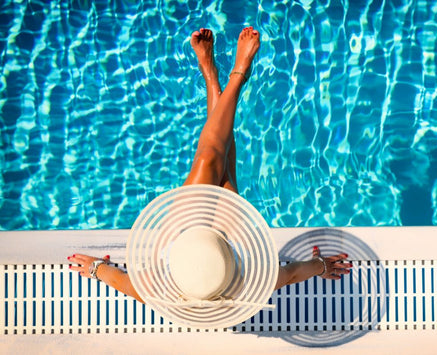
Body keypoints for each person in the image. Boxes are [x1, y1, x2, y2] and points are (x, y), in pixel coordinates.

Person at [68, 27, 352, 304]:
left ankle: (217, 76)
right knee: (223, 164)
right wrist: (321, 266)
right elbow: (290, 274)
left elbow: (124, 283)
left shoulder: (156, 288)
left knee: (210, 157)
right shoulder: (248, 285)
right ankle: (232, 77)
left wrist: (97, 268)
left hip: (185, 236)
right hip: (229, 251)